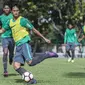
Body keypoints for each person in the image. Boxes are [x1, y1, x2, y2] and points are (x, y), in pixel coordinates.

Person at [0, 5, 58, 84]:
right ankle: (31, 80)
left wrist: (44, 38)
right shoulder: (10, 22)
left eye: (17, 10)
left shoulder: (23, 20)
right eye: (14, 10)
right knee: (16, 65)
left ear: (19, 12)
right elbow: (2, 30)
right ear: (12, 12)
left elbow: (33, 29)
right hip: (18, 46)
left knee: (31, 62)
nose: (16, 12)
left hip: (24, 43)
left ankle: (47, 54)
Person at [0, 4, 14, 76]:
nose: (6, 9)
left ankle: (11, 58)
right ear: (3, 9)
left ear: (10, 9)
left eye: (8, 8)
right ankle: (5, 70)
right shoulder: (1, 17)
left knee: (11, 54)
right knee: (5, 52)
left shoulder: (13, 16)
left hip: (12, 37)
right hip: (4, 37)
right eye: (5, 8)